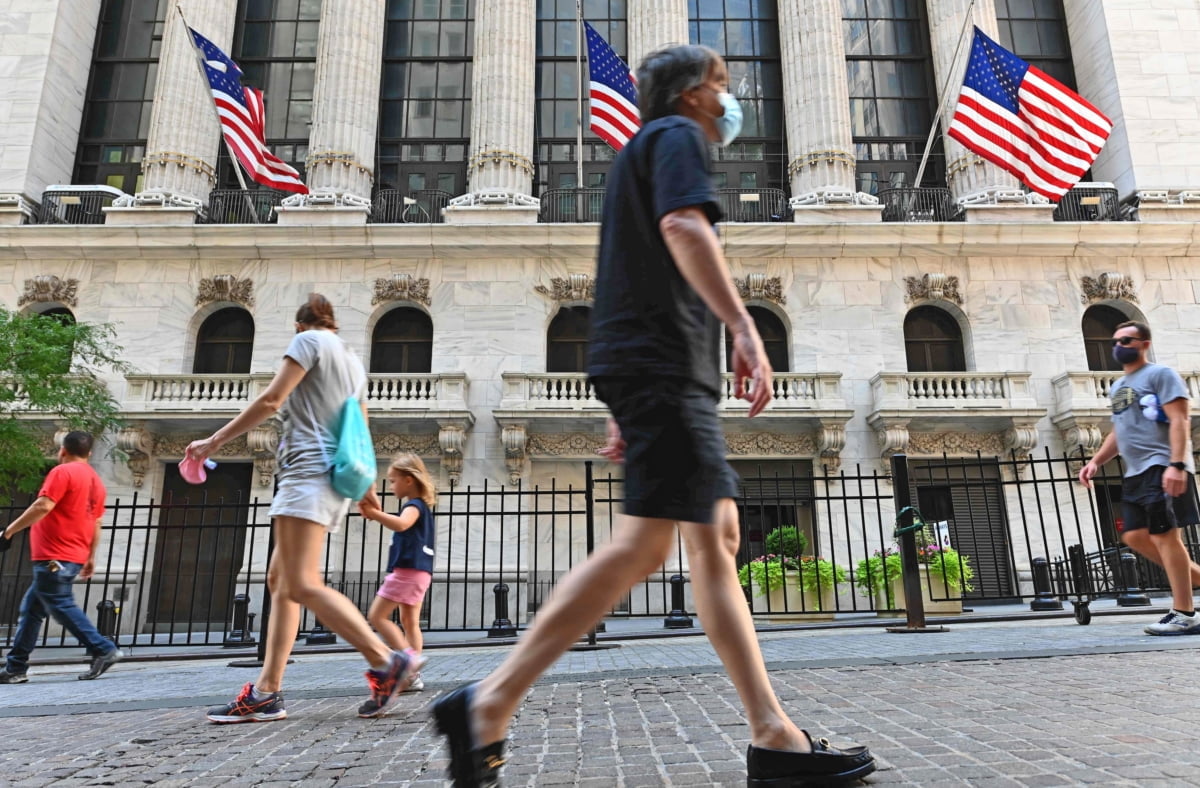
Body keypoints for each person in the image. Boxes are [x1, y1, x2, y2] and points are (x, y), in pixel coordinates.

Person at [430, 45, 876, 787]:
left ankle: (772, 735)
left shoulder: (640, 152)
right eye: (723, 87)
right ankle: (490, 704)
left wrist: (623, 397)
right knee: (651, 546)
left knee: (714, 535)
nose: (731, 102)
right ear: (695, 92)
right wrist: (742, 326)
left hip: (653, 368)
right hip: (663, 366)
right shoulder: (675, 139)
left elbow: (626, 274)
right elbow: (684, 231)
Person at [188, 294, 424, 723]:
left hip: (306, 472)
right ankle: (267, 691)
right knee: (281, 580)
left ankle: (386, 661)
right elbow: (361, 426)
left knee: (299, 582)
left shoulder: (307, 343)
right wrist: (367, 486)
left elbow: (272, 400)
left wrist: (212, 441)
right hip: (332, 474)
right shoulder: (353, 361)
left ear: (300, 325)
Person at [1079, 320, 1200, 635]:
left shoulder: (1161, 375)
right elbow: (1119, 431)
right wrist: (1095, 462)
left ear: (1144, 344)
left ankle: (1184, 613)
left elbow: (1180, 418)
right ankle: (1191, 584)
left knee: (1164, 535)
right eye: (1116, 340)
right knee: (1133, 536)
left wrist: (1176, 463)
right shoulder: (1118, 387)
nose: (1120, 345)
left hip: (1162, 464)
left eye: (1127, 340)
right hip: (1134, 472)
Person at [0, 431, 125, 683]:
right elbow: (96, 522)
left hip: (54, 556)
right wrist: (90, 556)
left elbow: (43, 505)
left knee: (60, 604)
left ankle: (103, 648)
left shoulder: (63, 472)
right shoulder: (96, 482)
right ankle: (15, 667)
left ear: (62, 450)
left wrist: (8, 531)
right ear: (89, 453)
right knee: (32, 609)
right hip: (72, 554)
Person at [357, 452, 437, 708]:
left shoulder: (413, 505)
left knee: (377, 616)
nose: (390, 486)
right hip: (421, 571)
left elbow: (402, 525)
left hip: (407, 571)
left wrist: (375, 514)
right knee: (410, 621)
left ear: (409, 480)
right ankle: (412, 676)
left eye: (393, 480)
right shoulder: (423, 506)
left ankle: (407, 662)